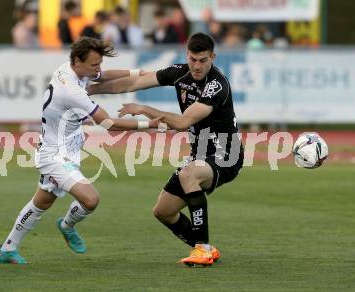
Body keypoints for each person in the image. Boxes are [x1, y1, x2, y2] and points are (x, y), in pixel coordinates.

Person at [0, 37, 160, 264]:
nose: (98, 69)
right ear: (77, 61)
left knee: (42, 202)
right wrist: (149, 125)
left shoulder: (69, 70)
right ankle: (67, 224)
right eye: (94, 64)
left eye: (99, 63)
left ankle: (8, 249)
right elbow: (108, 125)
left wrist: (136, 72)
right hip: (54, 156)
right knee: (90, 199)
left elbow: (102, 77)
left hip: (66, 149)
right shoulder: (72, 91)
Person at [88, 33, 244, 267]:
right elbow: (134, 82)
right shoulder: (180, 72)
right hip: (200, 154)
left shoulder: (217, 85)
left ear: (213, 57)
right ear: (187, 56)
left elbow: (182, 123)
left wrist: (144, 109)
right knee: (163, 211)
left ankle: (202, 249)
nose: (197, 66)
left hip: (226, 155)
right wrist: (90, 90)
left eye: (203, 60)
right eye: (193, 59)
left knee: (189, 174)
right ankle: (206, 248)